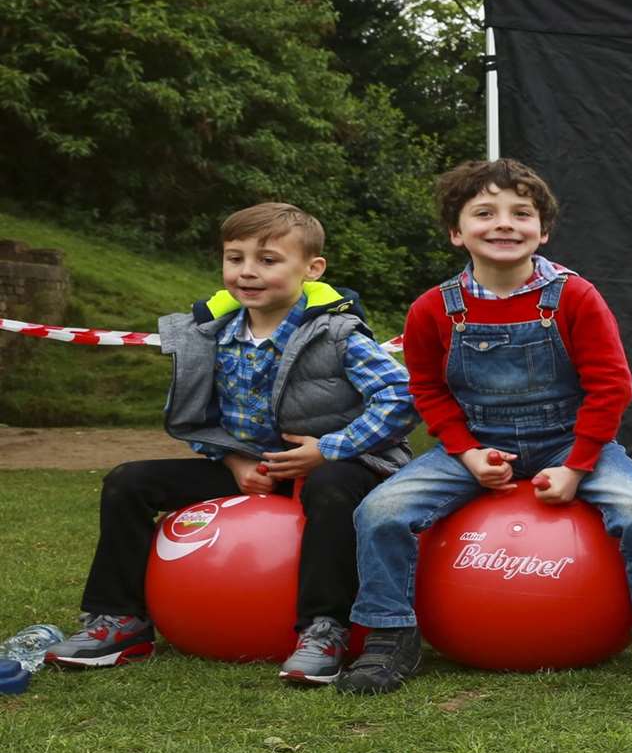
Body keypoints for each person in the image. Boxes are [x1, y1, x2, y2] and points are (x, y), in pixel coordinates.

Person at [339, 159, 632, 695]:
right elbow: (430, 392)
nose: (504, 223)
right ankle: (389, 636)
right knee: (380, 511)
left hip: (570, 440)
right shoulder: (433, 310)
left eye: (521, 213)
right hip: (477, 443)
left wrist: (577, 466)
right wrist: (464, 453)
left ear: (544, 230)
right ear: (456, 232)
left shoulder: (574, 297)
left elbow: (611, 388)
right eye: (484, 212)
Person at [44, 204, 416, 684]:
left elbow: (400, 397)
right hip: (255, 467)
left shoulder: (338, 333)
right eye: (234, 258)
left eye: (267, 260)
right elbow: (195, 417)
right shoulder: (209, 334)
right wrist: (235, 460)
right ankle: (120, 620)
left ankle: (324, 630)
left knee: (330, 489)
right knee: (129, 482)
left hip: (341, 463)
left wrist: (330, 448)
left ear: (312, 268)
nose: (247, 272)